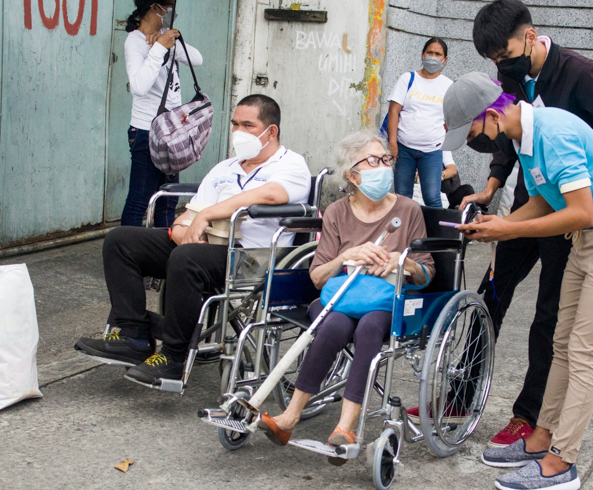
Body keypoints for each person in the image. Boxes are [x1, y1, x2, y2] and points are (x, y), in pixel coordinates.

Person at [445, 0, 593, 448]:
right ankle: (460, 395)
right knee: (491, 294)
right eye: (495, 62)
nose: (503, 67)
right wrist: (493, 185)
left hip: (573, 216)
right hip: (533, 202)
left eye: (504, 56)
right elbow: (504, 132)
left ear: (530, 36)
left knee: (550, 319)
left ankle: (529, 416)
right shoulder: (510, 80)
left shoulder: (579, 74)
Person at [74, 95, 311, 384]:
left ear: (271, 131)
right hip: (208, 248)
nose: (239, 131)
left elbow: (270, 195)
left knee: (187, 259)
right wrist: (182, 230)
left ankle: (173, 357)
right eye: (235, 124)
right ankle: (132, 335)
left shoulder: (290, 165)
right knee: (121, 241)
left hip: (253, 257)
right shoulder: (225, 169)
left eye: (248, 125)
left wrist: (209, 214)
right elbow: (188, 216)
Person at [255, 131, 434, 463]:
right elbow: (317, 275)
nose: (384, 166)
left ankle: (345, 428)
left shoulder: (408, 210)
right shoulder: (337, 211)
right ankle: (289, 418)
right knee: (335, 324)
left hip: (383, 301)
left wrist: (402, 261)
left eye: (386, 159)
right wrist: (347, 255)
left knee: (368, 329)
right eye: (374, 161)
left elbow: (426, 274)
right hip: (338, 299)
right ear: (353, 174)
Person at [121, 0, 203, 228]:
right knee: (140, 199)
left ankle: (161, 256)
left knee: (168, 199)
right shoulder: (135, 42)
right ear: (154, 8)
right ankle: (128, 256)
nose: (171, 13)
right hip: (147, 132)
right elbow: (139, 86)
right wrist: (158, 49)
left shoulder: (165, 39)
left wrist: (169, 42)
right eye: (168, 7)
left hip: (172, 133)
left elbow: (197, 59)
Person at [387, 37, 453, 208]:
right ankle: (403, 234)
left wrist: (438, 136)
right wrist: (392, 143)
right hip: (404, 150)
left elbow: (451, 119)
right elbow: (394, 111)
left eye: (438, 54)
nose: (433, 57)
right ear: (422, 55)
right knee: (402, 198)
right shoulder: (408, 79)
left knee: (432, 198)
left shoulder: (448, 86)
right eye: (429, 52)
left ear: (444, 60)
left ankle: (436, 234)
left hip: (432, 151)